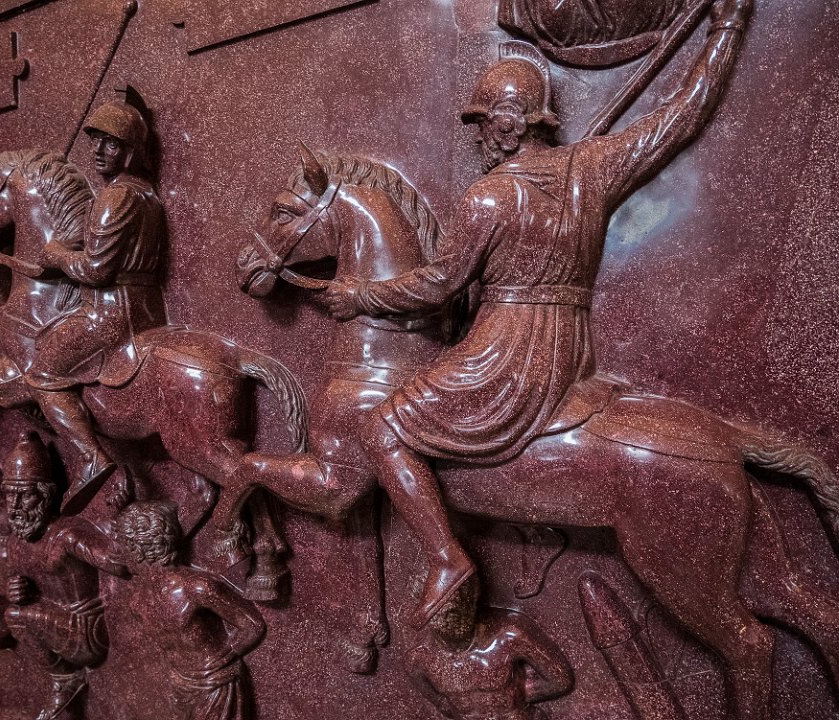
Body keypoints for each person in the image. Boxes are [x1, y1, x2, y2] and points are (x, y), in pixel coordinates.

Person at [319, 0, 753, 628]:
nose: (478, 135)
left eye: (483, 122)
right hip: (567, 350)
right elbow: (683, 115)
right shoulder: (592, 169)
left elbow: (439, 285)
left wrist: (361, 296)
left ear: (511, 122)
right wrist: (726, 28)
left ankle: (447, 560)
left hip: (504, 353)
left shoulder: (489, 197)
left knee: (384, 426)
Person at [26, 97, 167, 511]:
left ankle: (92, 457)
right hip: (146, 307)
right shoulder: (146, 195)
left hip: (111, 314)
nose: (99, 151)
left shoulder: (115, 197)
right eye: (96, 141)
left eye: (111, 143)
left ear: (131, 150)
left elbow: (95, 270)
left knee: (41, 372)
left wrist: (57, 256)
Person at [0, 431, 129, 720]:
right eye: (10, 495)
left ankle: (65, 681)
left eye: (25, 495)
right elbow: (22, 587)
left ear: (46, 495)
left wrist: (120, 517)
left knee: (15, 616)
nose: (15, 506)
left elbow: (117, 564)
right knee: (14, 612)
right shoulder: (16, 542)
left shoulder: (67, 535)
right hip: (55, 627)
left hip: (87, 631)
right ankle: (65, 680)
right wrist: (16, 590)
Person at [115, 501, 266, 720]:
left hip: (214, 684)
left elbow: (253, 626)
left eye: (121, 545)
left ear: (137, 549)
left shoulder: (196, 587)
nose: (118, 554)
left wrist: (222, 658)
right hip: (180, 684)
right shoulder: (137, 601)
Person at [405, 576, 573, 720]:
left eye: (459, 602)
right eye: (444, 610)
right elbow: (442, 705)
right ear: (425, 612)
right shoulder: (419, 659)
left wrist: (515, 695)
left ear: (472, 597)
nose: (454, 614)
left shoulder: (509, 635)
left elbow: (560, 680)